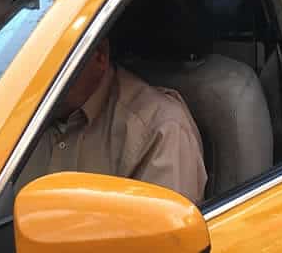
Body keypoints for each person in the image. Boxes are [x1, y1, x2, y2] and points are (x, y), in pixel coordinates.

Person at [13, 37, 208, 203]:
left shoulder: (160, 128)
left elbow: (165, 240)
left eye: (49, 61)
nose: (33, 75)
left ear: (99, 54)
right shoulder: (9, 113)